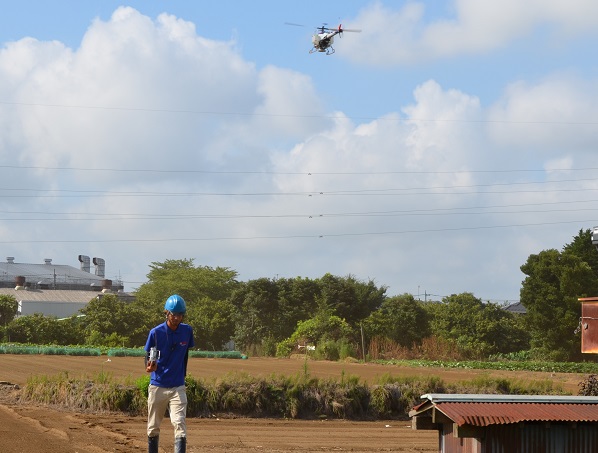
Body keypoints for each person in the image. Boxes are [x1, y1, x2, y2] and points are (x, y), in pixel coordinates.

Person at [145, 294, 195, 453]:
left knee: (179, 423)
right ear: (167, 313)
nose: (176, 318)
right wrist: (149, 367)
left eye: (180, 315)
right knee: (153, 426)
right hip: (158, 385)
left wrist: (183, 375)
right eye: (173, 314)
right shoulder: (155, 332)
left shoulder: (187, 331)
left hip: (177, 387)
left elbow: (185, 353)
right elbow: (147, 356)